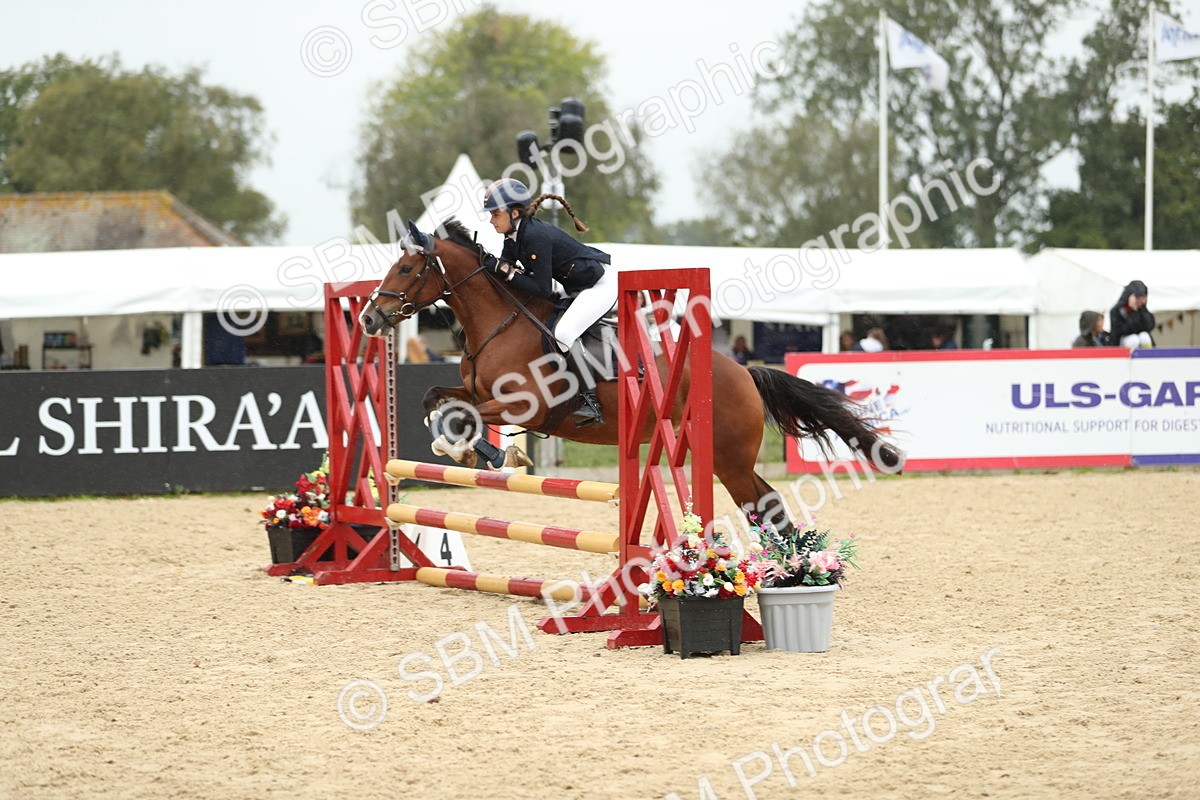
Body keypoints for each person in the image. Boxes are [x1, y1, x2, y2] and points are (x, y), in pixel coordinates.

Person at [481, 178, 615, 427]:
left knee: (563, 333)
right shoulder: (513, 236)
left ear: (514, 212)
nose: (491, 220)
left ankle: (590, 401)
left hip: (599, 286)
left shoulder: (534, 235)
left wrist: (507, 271)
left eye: (495, 214)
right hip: (576, 287)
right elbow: (505, 272)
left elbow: (542, 289)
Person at [1110, 280, 1155, 349]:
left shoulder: (1142, 310)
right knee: (1133, 339)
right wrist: (1132, 312)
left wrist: (1139, 310)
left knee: (1144, 336)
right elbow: (1120, 331)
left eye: (1143, 297)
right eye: (1138, 297)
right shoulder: (1117, 311)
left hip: (1141, 342)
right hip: (1123, 343)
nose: (1141, 300)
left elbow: (1149, 326)